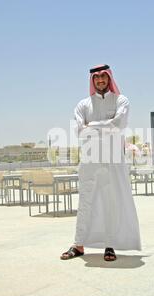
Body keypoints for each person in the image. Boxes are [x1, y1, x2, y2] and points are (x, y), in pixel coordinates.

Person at [60, 64, 142, 262]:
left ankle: (109, 245)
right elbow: (79, 131)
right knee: (85, 202)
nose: (100, 81)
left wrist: (92, 125)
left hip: (113, 161)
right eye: (96, 78)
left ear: (109, 78)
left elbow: (119, 125)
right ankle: (78, 245)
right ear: (92, 80)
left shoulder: (121, 100)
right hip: (89, 161)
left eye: (103, 77)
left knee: (110, 202)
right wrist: (106, 125)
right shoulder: (83, 105)